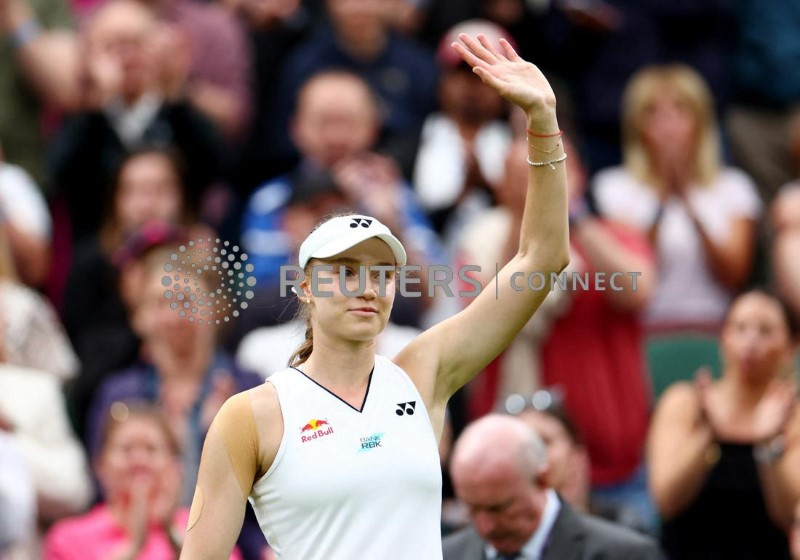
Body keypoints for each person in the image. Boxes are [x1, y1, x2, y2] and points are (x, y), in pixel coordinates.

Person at [179, 33, 570, 559]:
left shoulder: (421, 374)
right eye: (345, 271)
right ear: (305, 288)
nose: (368, 286)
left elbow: (542, 259)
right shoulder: (251, 415)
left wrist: (543, 122)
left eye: (382, 273)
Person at [593, 64, 762, 333]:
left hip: (714, 329)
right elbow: (629, 274)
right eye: (653, 114)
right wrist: (661, 202)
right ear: (636, 124)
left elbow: (734, 275)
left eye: (679, 111)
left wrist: (688, 201)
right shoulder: (612, 186)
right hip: (644, 330)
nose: (667, 126)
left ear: (700, 121)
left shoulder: (734, 186)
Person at [648, 290, 800, 559]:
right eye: (739, 328)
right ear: (723, 337)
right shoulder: (686, 403)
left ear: (790, 348)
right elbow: (667, 500)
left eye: (765, 331)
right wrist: (709, 434)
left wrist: (769, 443)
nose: (750, 342)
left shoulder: (793, 415)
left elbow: (788, 515)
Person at [443, 414, 663, 559]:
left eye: (499, 508)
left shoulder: (627, 556)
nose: (485, 527)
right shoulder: (442, 555)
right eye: (472, 509)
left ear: (543, 480)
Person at [44, 404, 242, 560]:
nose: (139, 460)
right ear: (100, 466)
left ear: (176, 468)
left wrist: (175, 540)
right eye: (126, 449)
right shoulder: (68, 539)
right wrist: (132, 549)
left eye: (151, 449)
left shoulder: (206, 532)